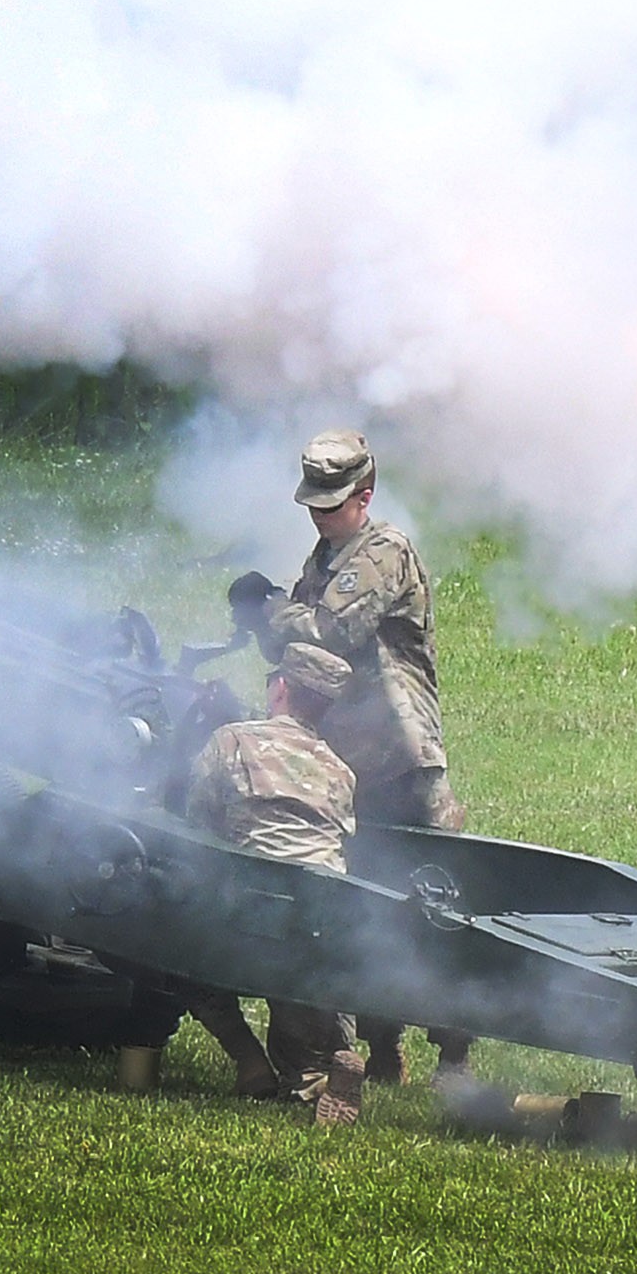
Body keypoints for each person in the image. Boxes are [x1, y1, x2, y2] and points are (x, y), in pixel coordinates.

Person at [228, 428, 472, 1083]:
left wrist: (271, 611)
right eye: (314, 501)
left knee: (435, 903)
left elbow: (329, 633)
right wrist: (266, 618)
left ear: (365, 496)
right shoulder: (324, 560)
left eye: (333, 502)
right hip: (344, 760)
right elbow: (294, 655)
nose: (320, 512)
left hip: (400, 756)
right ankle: (381, 1043)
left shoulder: (382, 552)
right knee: (361, 905)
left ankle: (454, 1051)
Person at [182, 642, 366, 1126]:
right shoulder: (340, 771)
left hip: (244, 916)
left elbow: (197, 823)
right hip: (321, 923)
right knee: (312, 985)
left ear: (280, 687)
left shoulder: (231, 742)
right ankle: (324, 1069)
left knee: (171, 944)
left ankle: (248, 1062)